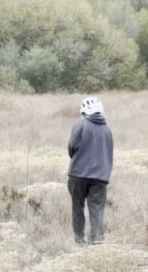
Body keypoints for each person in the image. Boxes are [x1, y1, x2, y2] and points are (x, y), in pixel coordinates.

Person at [67, 96, 113, 245]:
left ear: (85, 111)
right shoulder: (107, 129)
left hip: (78, 174)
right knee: (97, 208)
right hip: (100, 176)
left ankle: (79, 240)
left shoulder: (81, 125)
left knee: (77, 207)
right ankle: (97, 240)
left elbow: (72, 147)